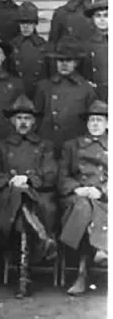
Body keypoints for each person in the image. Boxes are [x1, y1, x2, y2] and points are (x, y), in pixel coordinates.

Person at [0, 95, 58, 298]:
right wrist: (10, 181)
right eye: (19, 118)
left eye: (27, 118)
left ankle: (23, 277)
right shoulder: (0, 146)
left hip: (38, 196)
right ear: (12, 121)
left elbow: (51, 173)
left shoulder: (45, 146)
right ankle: (43, 238)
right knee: (17, 202)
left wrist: (27, 178)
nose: (23, 122)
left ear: (34, 122)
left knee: (24, 207)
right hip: (8, 196)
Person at [58, 100, 108, 295]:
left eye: (100, 120)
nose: (95, 124)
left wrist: (102, 191)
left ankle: (82, 273)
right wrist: (78, 188)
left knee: (90, 208)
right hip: (76, 197)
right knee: (83, 207)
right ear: (86, 123)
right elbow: (62, 176)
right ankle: (99, 251)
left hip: (103, 197)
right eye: (92, 120)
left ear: (107, 124)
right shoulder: (71, 146)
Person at [34, 44, 98, 153]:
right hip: (48, 142)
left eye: (68, 60)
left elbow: (92, 118)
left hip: (75, 143)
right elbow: (36, 117)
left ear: (76, 63)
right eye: (60, 60)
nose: (64, 64)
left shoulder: (86, 88)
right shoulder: (44, 86)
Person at [9, 2, 51, 100]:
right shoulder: (11, 46)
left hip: (38, 93)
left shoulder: (44, 46)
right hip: (17, 93)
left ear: (35, 24)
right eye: (23, 23)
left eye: (29, 23)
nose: (26, 27)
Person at [79, 0, 107, 102]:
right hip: (96, 95)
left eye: (106, 15)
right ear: (93, 19)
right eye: (98, 16)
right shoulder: (86, 44)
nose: (102, 19)